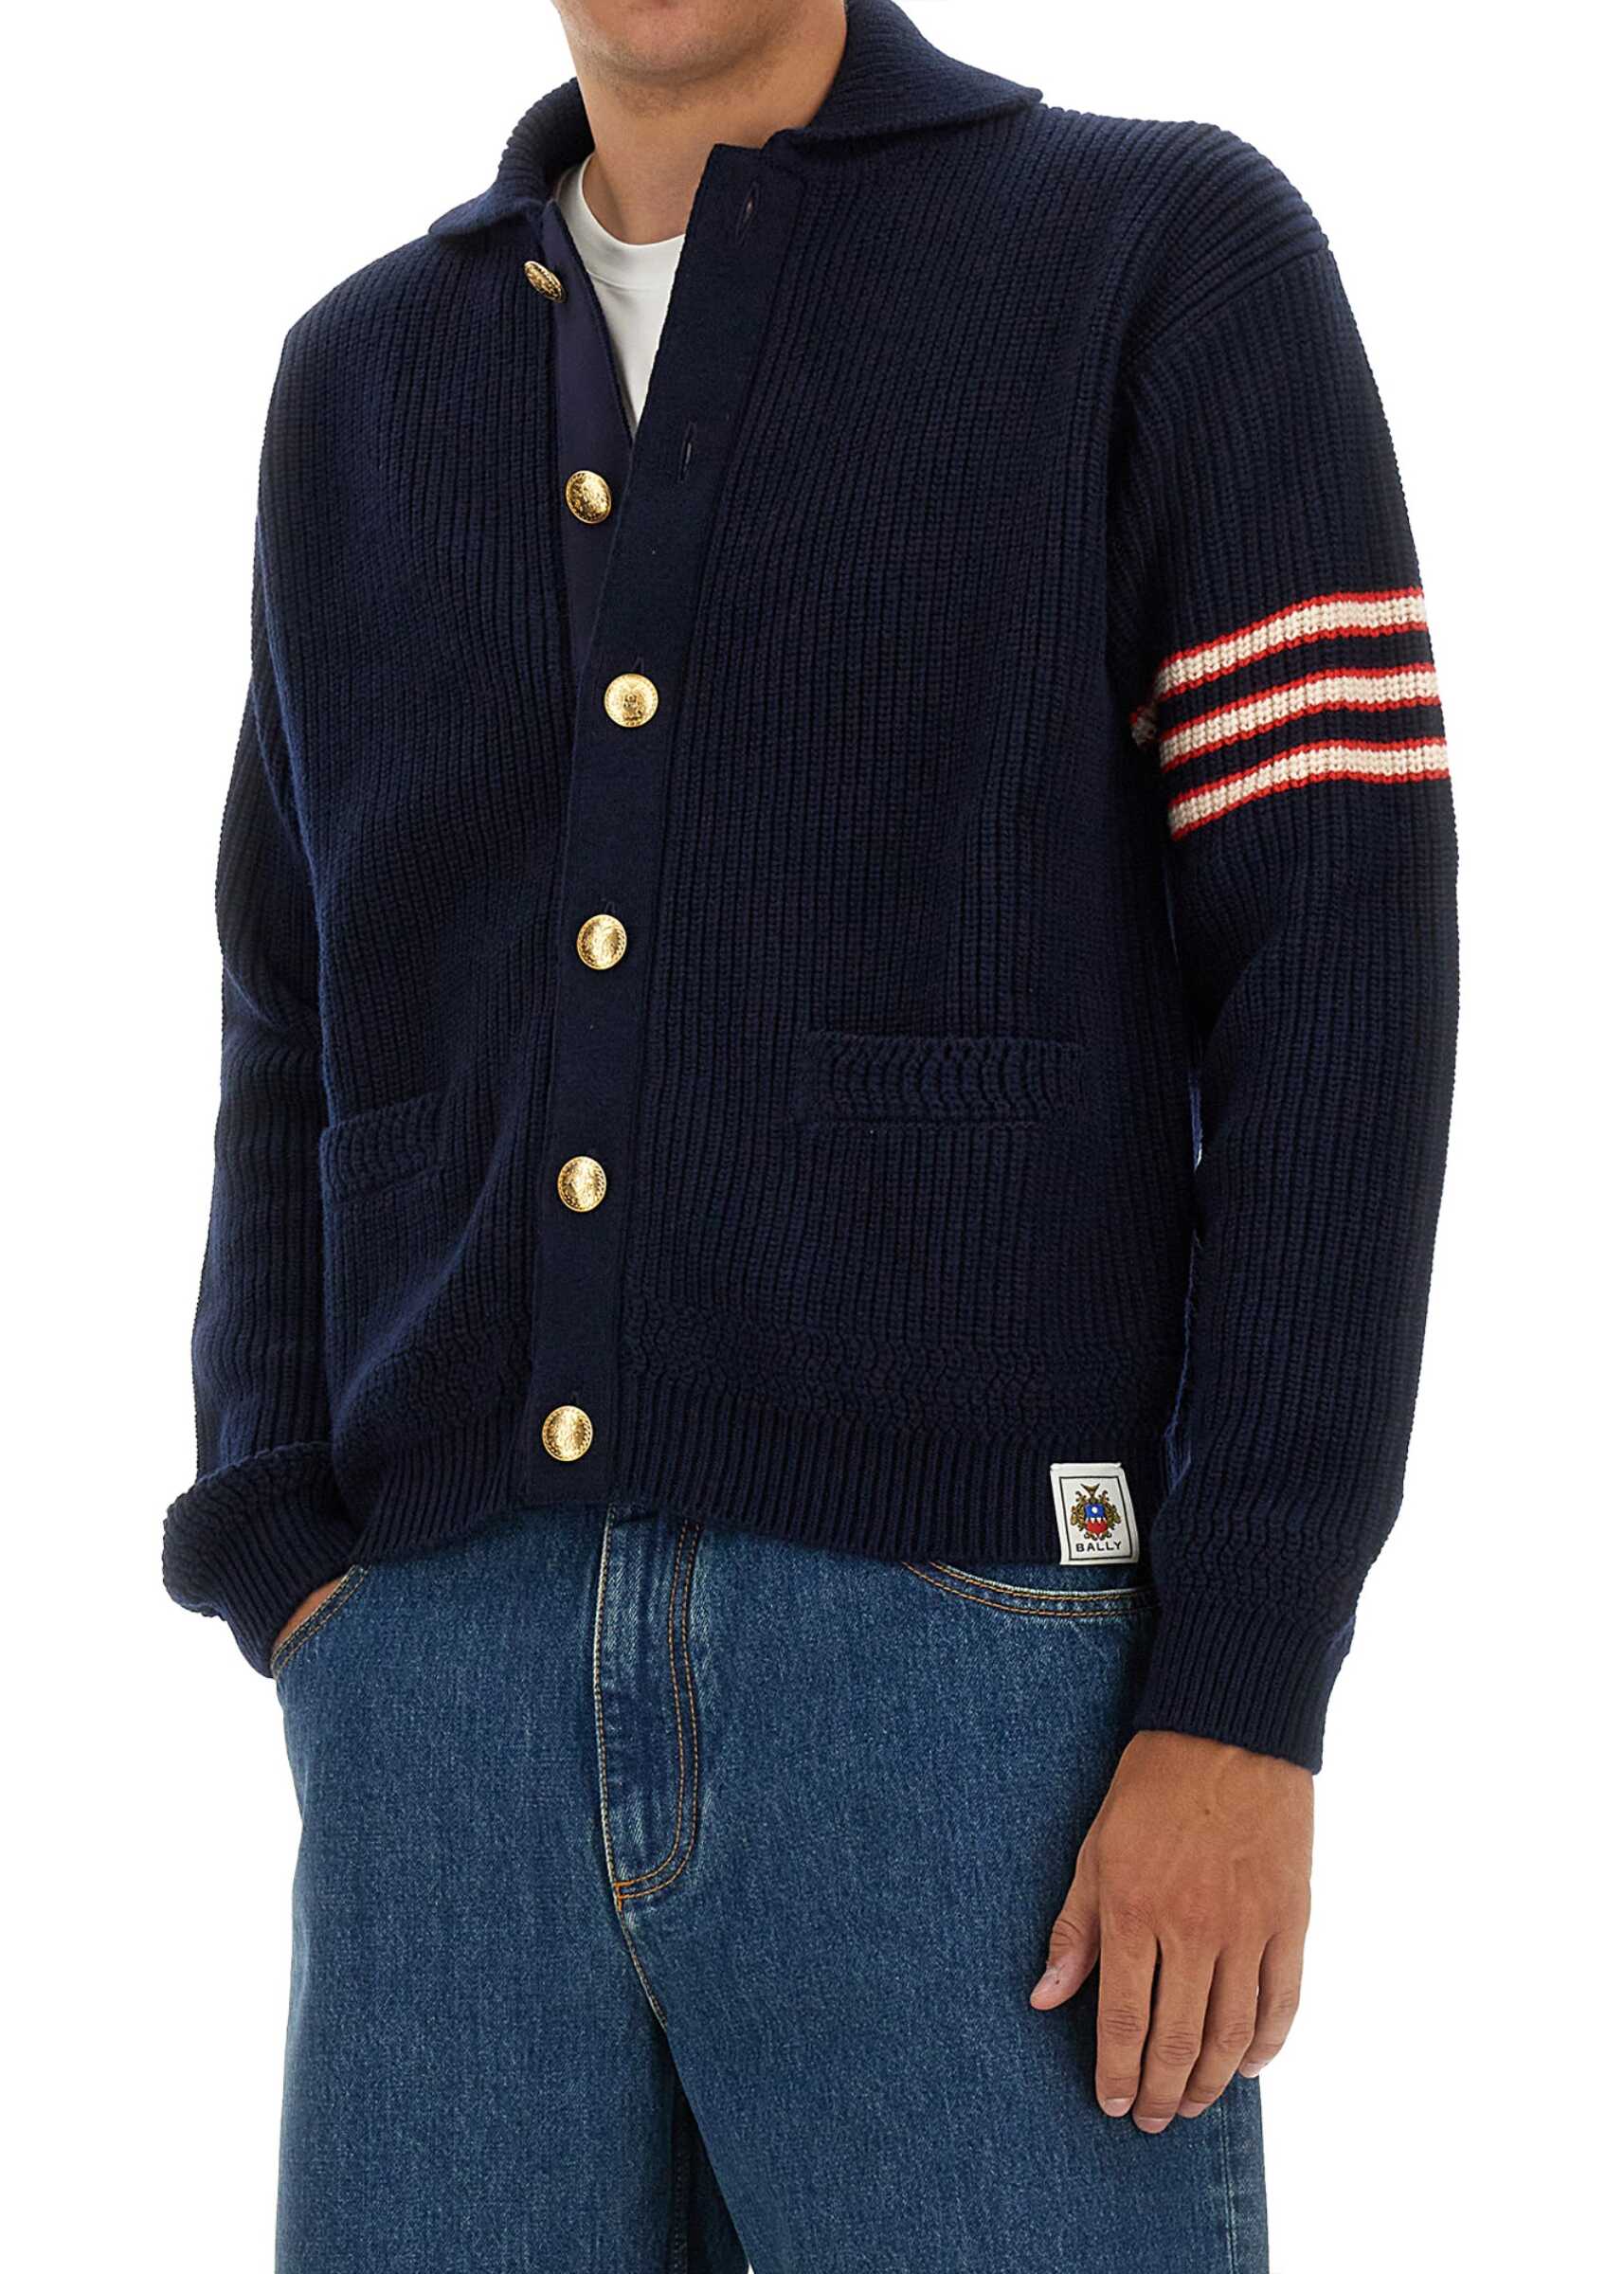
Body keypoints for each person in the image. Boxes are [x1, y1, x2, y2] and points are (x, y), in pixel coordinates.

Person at [162, 1, 1457, 2265]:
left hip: (982, 1697)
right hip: (440, 1705)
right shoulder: (360, 378)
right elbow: (297, 996)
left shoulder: (1155, 255)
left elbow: (1335, 965)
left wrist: (1245, 1687)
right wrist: (287, 1544)